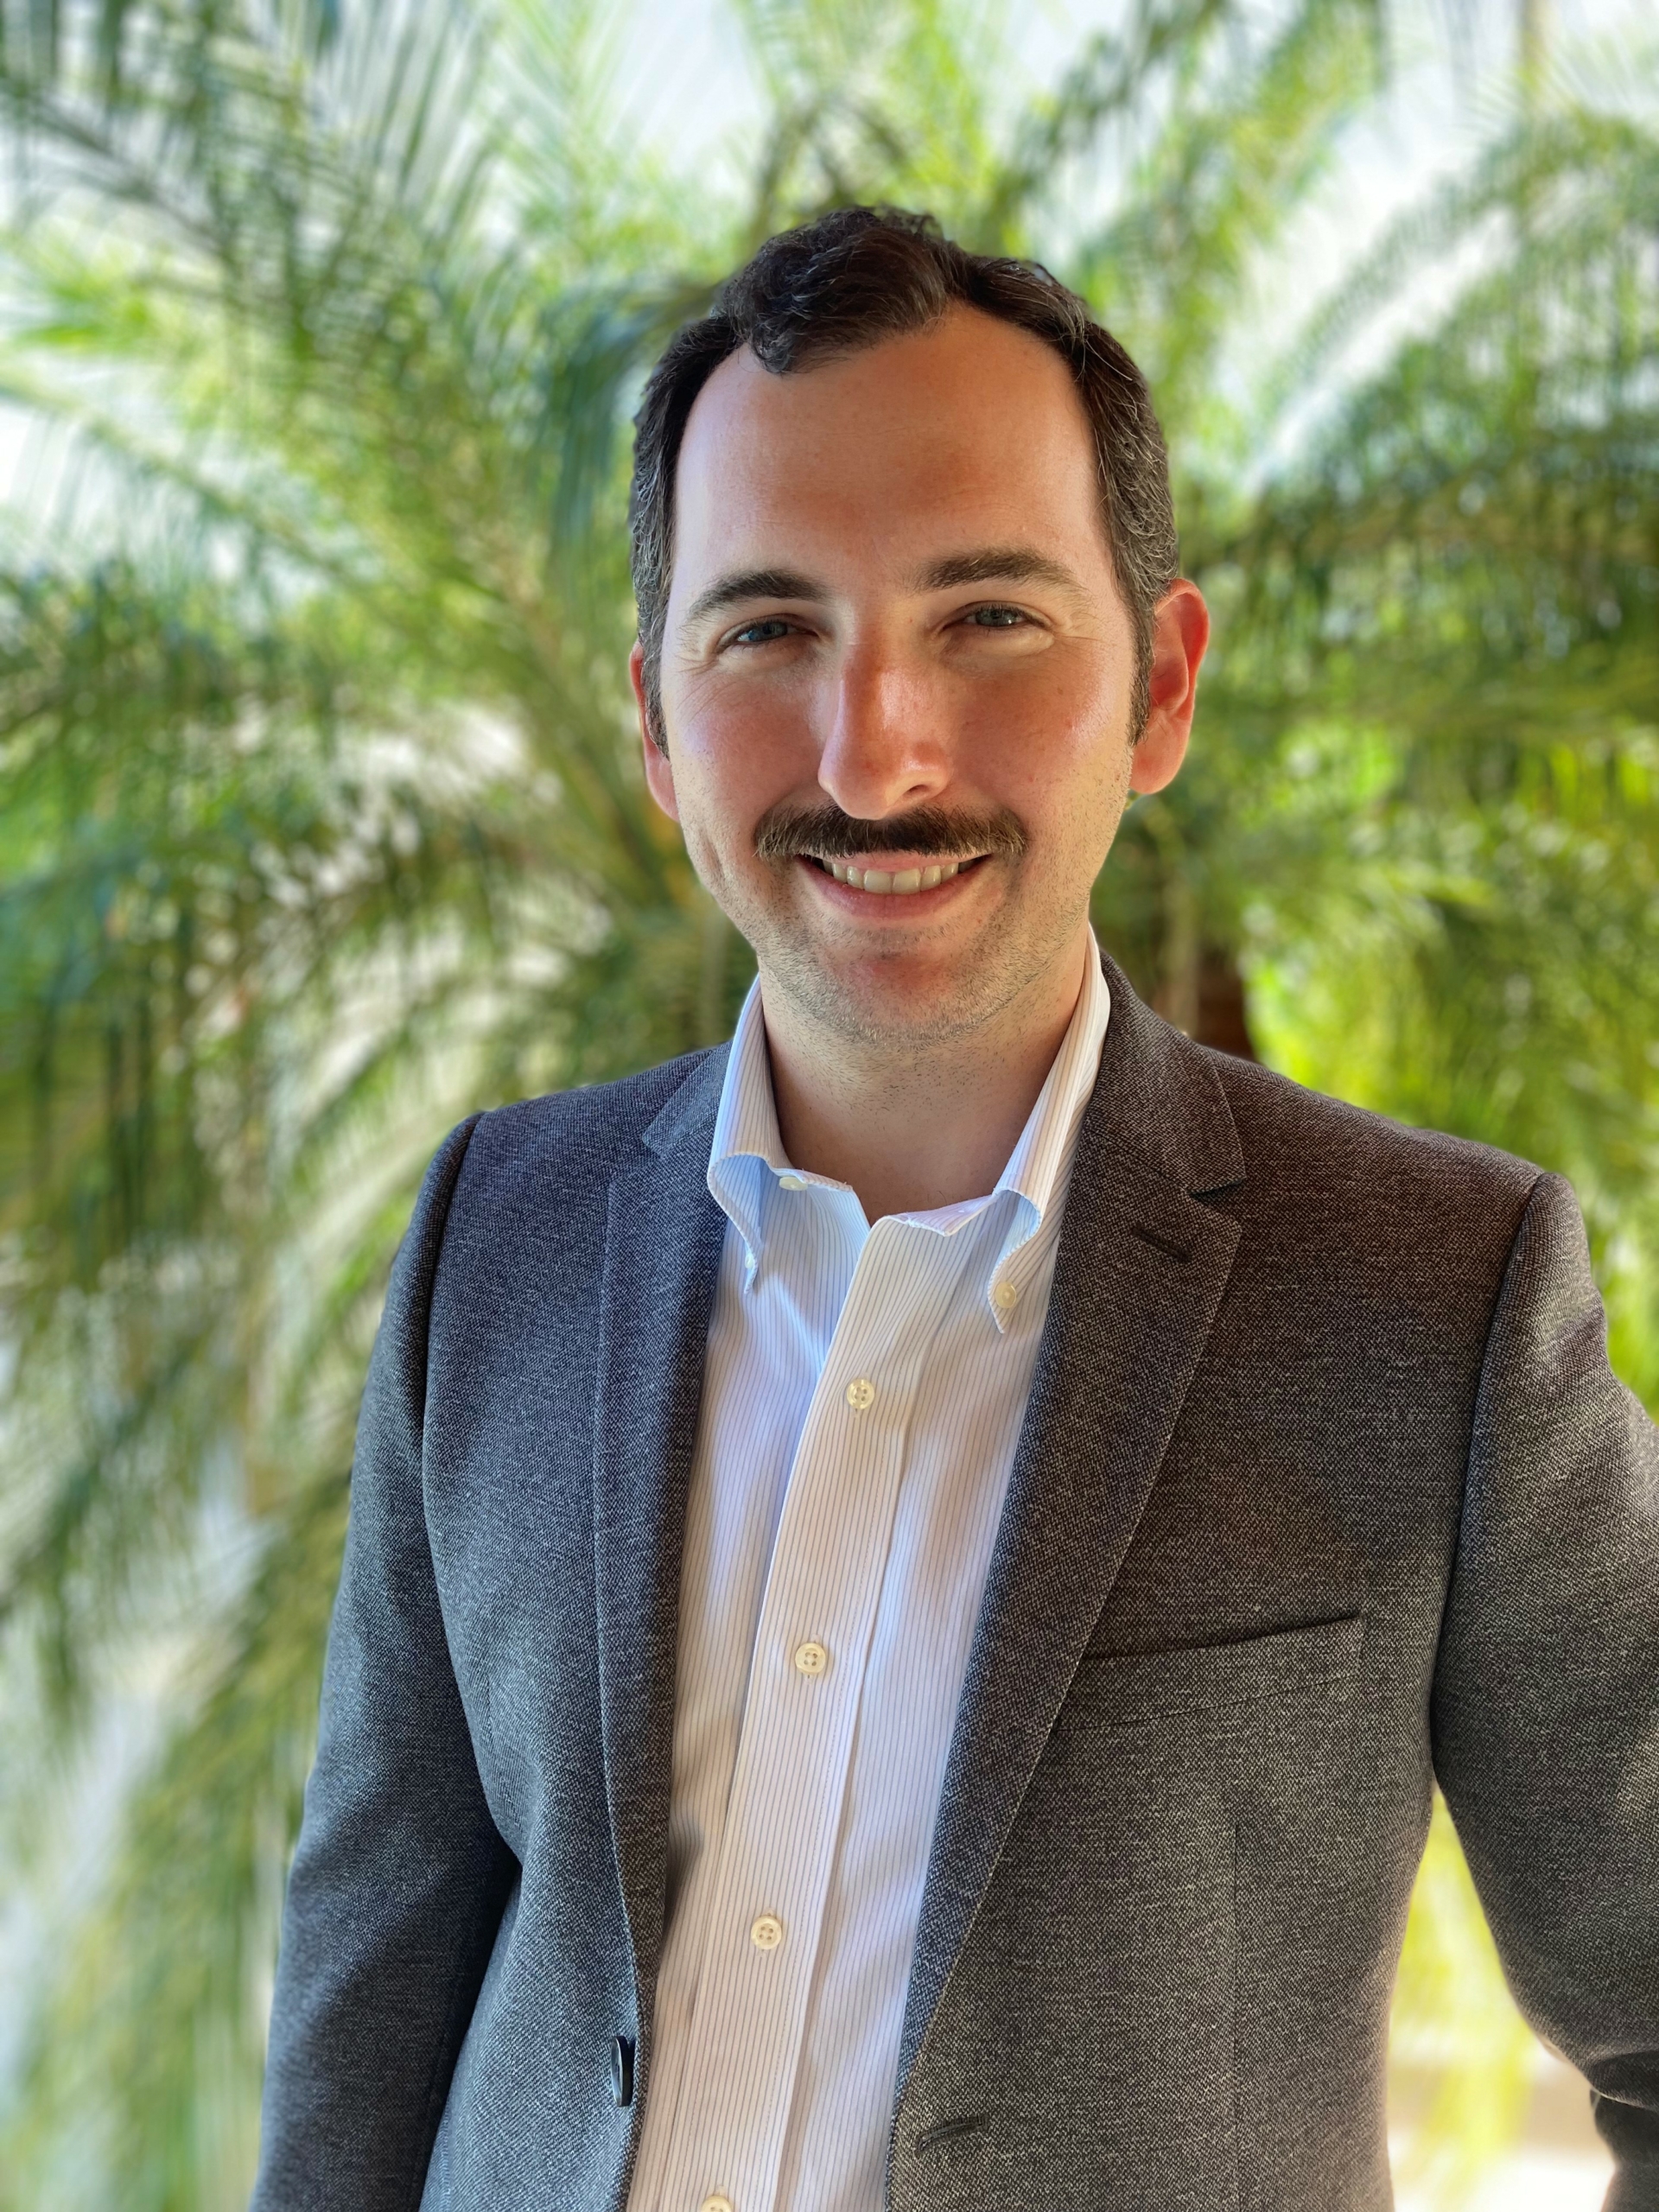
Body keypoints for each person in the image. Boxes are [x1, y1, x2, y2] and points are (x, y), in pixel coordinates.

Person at [250, 207, 1659, 2212]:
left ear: (1160, 685)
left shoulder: (1435, 1300)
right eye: (767, 629)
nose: (875, 751)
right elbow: (371, 1991)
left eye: (988, 617)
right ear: (656, 720)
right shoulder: (500, 1230)